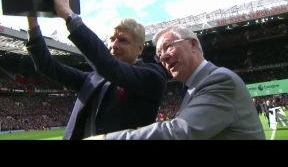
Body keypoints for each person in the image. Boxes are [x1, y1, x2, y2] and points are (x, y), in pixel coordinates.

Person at [25, 0, 166, 140]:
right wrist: (32, 23)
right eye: (111, 39)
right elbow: (47, 66)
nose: (114, 45)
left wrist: (68, 15)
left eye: (123, 40)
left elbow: (108, 66)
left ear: (140, 48)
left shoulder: (152, 76)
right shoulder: (93, 78)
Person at [84, 25, 266, 140]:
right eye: (159, 54)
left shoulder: (219, 80)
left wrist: (106, 139)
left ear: (193, 44)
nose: (162, 56)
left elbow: (180, 132)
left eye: (168, 46)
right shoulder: (191, 88)